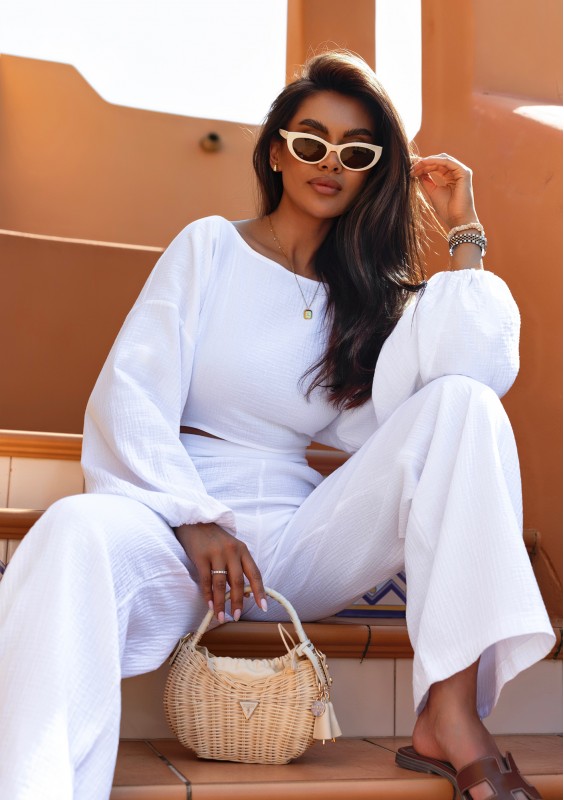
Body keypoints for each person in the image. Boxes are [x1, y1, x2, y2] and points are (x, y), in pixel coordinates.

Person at [0, 51, 554, 800]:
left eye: (356, 151)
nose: (330, 161)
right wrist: (193, 517)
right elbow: (132, 390)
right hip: (176, 530)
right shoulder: (209, 248)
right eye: (311, 140)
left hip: (298, 544)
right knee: (70, 528)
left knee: (465, 403)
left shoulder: (372, 300)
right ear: (275, 152)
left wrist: (466, 231)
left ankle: (449, 714)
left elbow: (478, 366)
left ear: (371, 173)